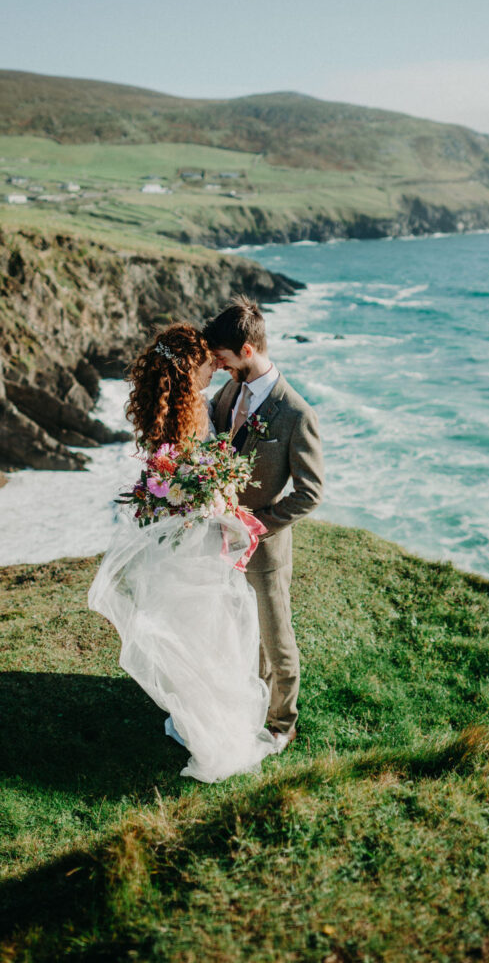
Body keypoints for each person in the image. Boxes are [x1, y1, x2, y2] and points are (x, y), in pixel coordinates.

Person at [87, 322, 278, 783]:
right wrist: (220, 497)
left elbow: (171, 470)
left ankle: (193, 712)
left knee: (189, 624)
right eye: (207, 362)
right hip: (195, 532)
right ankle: (213, 729)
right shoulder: (191, 409)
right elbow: (192, 474)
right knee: (207, 627)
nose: (215, 367)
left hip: (177, 534)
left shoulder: (167, 408)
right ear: (189, 368)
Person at [204, 296, 324, 752]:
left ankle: (282, 723)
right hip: (219, 541)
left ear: (248, 352)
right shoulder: (229, 393)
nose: (219, 366)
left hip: (265, 548)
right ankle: (249, 706)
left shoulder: (296, 414)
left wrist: (255, 523)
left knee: (277, 641)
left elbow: (309, 493)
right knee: (239, 632)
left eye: (224, 358)